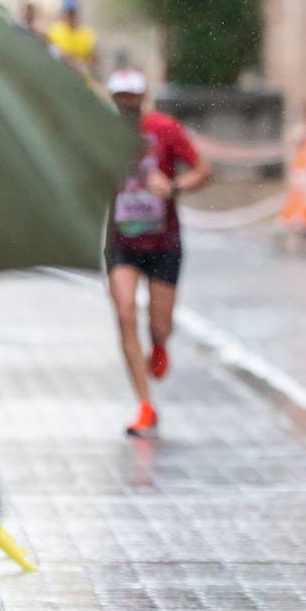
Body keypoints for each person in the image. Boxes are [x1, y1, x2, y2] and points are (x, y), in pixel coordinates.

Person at [106, 67, 212, 435]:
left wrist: (173, 186)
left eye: (132, 96)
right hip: (122, 242)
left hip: (164, 242)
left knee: (159, 324)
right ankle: (144, 404)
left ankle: (160, 342)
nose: (126, 103)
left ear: (142, 97)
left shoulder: (164, 129)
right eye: (120, 97)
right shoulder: (102, 134)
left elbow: (203, 170)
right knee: (123, 314)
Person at [46, 0, 98, 77]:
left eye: (72, 12)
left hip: (80, 77)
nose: (70, 16)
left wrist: (83, 68)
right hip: (60, 76)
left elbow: (93, 59)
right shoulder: (54, 31)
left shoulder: (87, 33)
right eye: (68, 12)